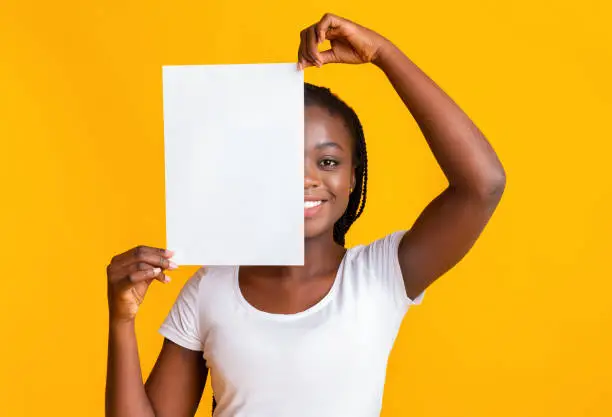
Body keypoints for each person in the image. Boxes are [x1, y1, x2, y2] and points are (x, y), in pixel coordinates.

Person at [105, 13, 506, 417]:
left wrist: (383, 54)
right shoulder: (211, 287)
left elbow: (483, 185)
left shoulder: (381, 274)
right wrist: (121, 320)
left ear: (354, 177)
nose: (306, 178)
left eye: (328, 161)